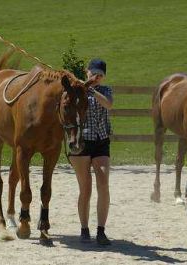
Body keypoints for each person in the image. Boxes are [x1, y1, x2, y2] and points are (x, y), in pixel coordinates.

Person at [69, 58, 113, 245]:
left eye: (100, 75)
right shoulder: (77, 90)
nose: (96, 77)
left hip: (101, 140)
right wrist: (80, 88)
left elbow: (108, 105)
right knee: (85, 188)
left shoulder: (105, 90)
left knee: (103, 183)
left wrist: (93, 90)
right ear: (87, 72)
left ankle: (101, 231)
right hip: (82, 141)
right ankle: (84, 229)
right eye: (93, 73)